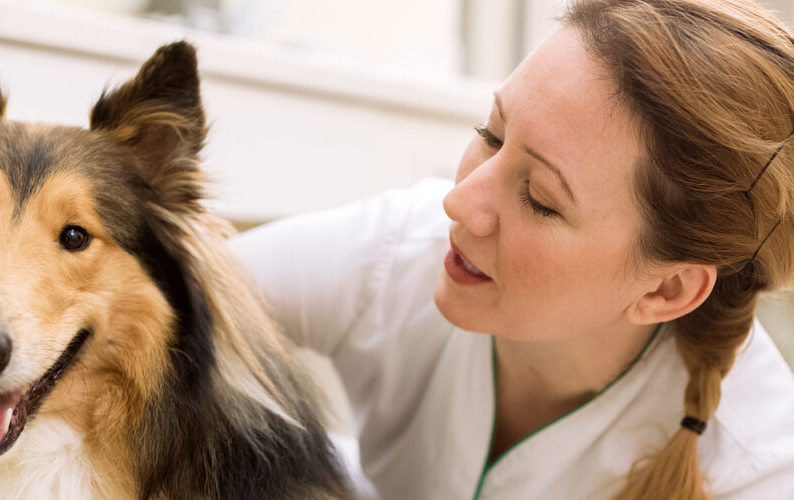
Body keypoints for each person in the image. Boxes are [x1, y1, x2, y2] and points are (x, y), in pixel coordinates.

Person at [229, 0, 794, 498]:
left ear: (667, 288)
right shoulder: (397, 249)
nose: (458, 203)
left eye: (542, 200)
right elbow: (173, 301)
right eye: (491, 133)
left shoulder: (760, 468)